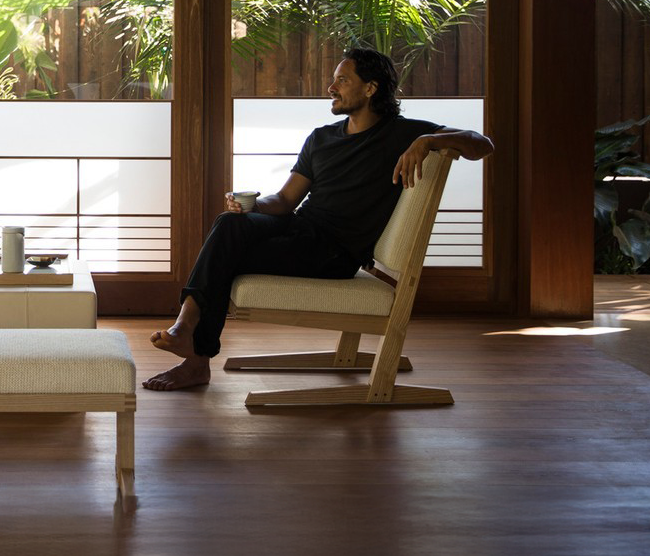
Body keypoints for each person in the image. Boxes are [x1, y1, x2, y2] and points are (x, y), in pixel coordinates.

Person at [144, 46, 494, 393]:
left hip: (334, 252)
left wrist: (428, 140)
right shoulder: (321, 138)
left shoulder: (402, 134)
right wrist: (250, 206)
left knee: (225, 255)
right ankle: (187, 335)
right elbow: (284, 201)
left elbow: (482, 144)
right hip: (299, 228)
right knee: (228, 223)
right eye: (333, 80)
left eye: (342, 80)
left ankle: (194, 353)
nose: (331, 88)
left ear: (370, 88)